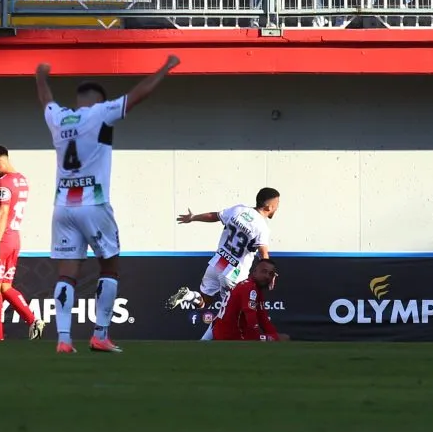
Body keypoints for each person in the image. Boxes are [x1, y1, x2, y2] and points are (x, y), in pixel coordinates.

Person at [36, 55, 181, 354]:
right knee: (110, 266)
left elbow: (46, 100)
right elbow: (138, 95)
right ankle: (100, 334)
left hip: (63, 205)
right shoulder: (101, 113)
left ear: (78, 100)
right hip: (94, 202)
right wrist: (164, 68)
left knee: (66, 273)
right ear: (100, 100)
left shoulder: (60, 117)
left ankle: (63, 339)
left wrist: (40, 76)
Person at [167, 188, 280, 341]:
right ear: (269, 207)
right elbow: (263, 253)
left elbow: (214, 216)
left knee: (203, 301)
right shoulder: (262, 227)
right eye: (277, 204)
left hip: (218, 262)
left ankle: (188, 295)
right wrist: (270, 273)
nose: (278, 207)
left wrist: (193, 217)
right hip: (234, 273)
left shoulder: (238, 210)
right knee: (228, 314)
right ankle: (202, 344)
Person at [0, 146, 44, 341]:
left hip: (0, 238)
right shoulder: (21, 179)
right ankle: (32, 320)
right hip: (15, 238)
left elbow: (3, 211)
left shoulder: (3, 182)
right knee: (5, 286)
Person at [209, 259, 289, 341]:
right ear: (254, 272)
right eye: (264, 271)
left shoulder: (254, 287)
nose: (267, 276)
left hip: (226, 334)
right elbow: (251, 320)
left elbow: (263, 318)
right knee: (284, 338)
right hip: (231, 337)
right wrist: (265, 338)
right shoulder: (250, 288)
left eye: (271, 274)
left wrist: (274, 335)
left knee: (281, 338)